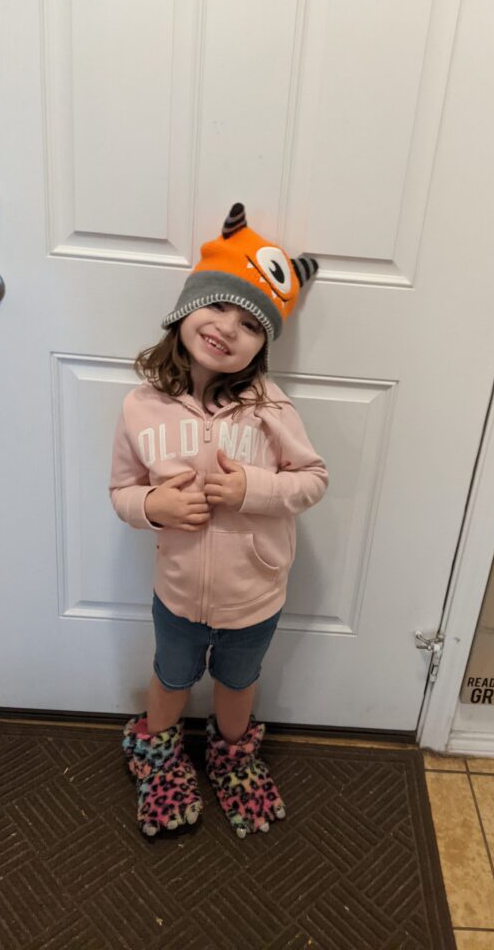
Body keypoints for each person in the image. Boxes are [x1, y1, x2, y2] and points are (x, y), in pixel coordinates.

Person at [109, 202, 328, 840]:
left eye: (251, 323)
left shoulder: (271, 408)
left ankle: (233, 759)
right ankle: (157, 756)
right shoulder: (141, 406)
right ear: (188, 305)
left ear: (264, 344)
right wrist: (154, 507)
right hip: (177, 592)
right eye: (219, 306)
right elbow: (122, 491)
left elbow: (313, 479)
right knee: (171, 677)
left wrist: (251, 490)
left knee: (238, 682)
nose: (228, 329)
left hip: (255, 594)